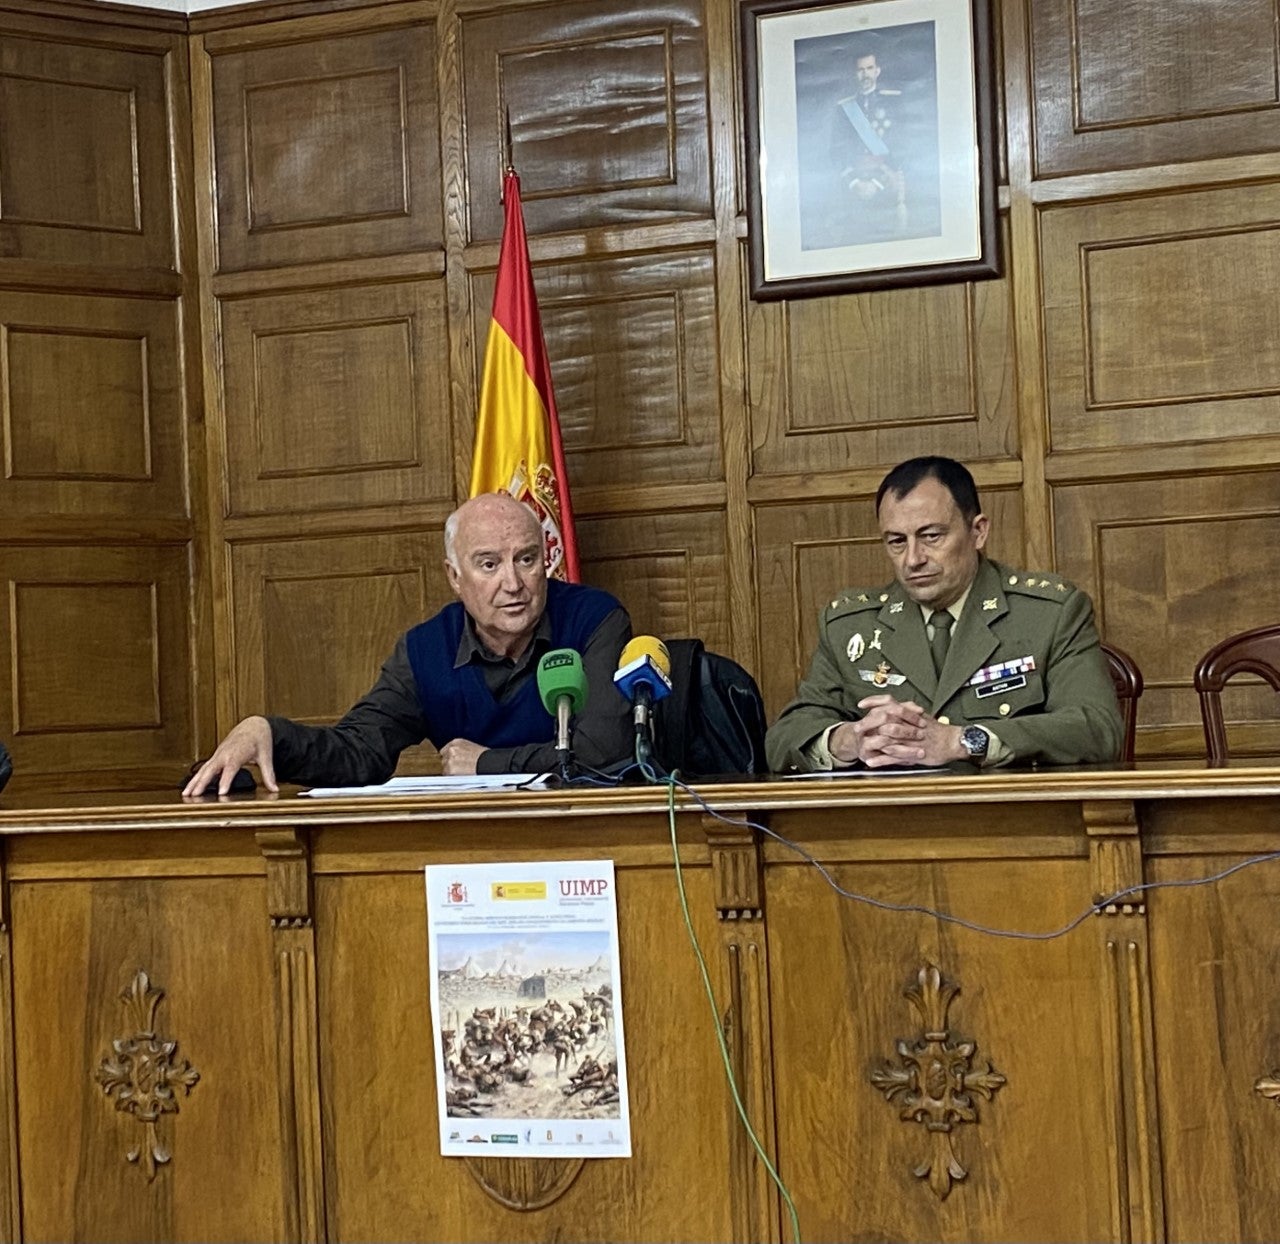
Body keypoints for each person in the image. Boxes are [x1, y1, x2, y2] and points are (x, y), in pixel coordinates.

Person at [184, 492, 633, 795]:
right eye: (489, 565)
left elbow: (605, 754)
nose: (513, 583)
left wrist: (486, 764)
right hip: (471, 849)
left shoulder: (595, 620)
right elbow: (361, 752)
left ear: (546, 561)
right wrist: (270, 734)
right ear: (454, 577)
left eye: (527, 559)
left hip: (582, 839)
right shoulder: (426, 650)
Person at [765, 457, 1123, 772]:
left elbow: (1096, 728)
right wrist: (850, 740)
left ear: (978, 532)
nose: (913, 559)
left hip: (1014, 818)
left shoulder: (1048, 614)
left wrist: (962, 741)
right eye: (897, 541)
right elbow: (783, 739)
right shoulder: (849, 626)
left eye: (931, 536)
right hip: (887, 821)